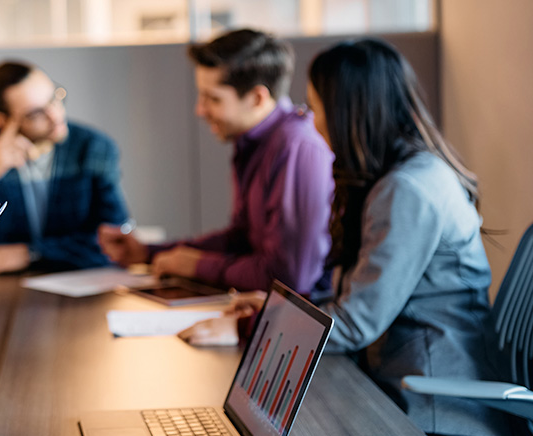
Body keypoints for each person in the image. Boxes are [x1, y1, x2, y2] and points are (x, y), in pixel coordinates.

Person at [181, 38, 511, 436]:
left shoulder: (409, 189)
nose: (309, 119)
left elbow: (357, 323)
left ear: (346, 114)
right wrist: (274, 310)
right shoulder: (397, 176)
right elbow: (360, 295)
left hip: (430, 402)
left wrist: (251, 328)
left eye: (315, 108)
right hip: (396, 377)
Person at [98, 29, 333, 294]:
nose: (200, 110)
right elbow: (241, 240)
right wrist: (148, 252)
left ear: (257, 98)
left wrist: (198, 266)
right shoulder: (253, 142)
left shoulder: (297, 148)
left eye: (213, 99)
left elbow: (290, 278)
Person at [0, 61, 129, 279]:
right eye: (35, 114)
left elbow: (116, 243)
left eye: (54, 98)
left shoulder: (94, 148)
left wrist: (29, 253)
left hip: (80, 285)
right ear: (3, 121)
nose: (56, 116)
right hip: (4, 291)